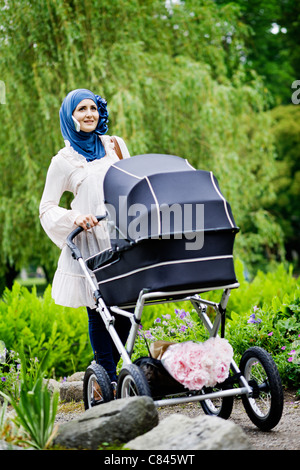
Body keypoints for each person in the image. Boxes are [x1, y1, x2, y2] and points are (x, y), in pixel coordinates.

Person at [39, 88, 131, 386]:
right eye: (81, 109)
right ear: (71, 116)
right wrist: (74, 217)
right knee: (99, 308)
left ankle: (118, 371)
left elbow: (133, 182)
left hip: (122, 235)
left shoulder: (115, 145)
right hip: (91, 240)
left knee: (129, 305)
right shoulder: (63, 160)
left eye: (93, 107)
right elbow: (46, 207)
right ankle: (108, 376)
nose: (89, 113)